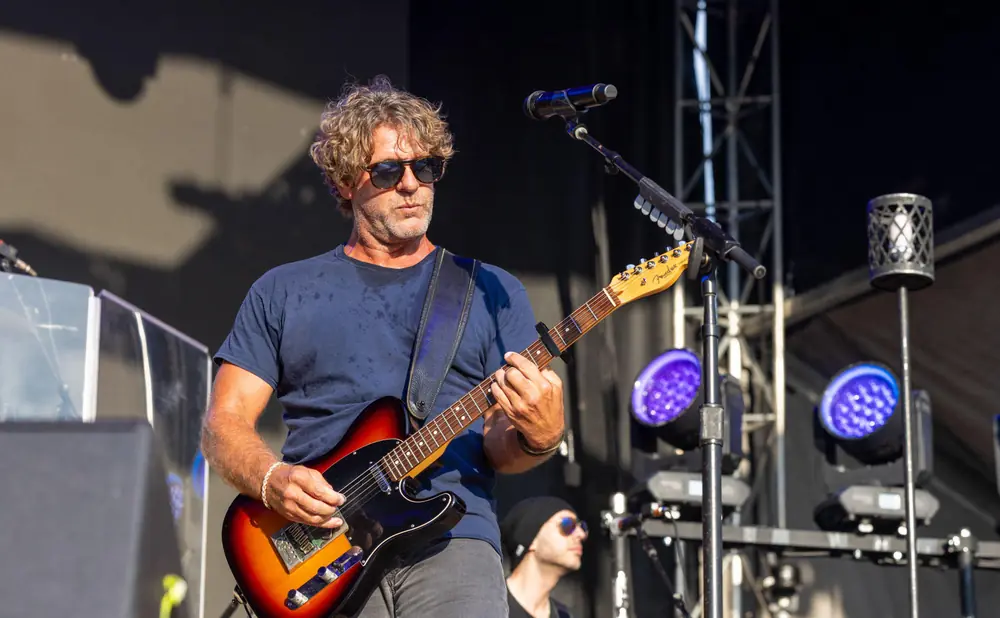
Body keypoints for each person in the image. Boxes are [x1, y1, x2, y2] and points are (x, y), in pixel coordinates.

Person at [200, 75, 566, 618]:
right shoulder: (283, 290)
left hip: (453, 535)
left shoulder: (488, 289)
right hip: (321, 542)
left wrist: (540, 436)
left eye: (427, 168)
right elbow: (222, 423)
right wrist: (271, 479)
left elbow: (499, 448)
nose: (412, 184)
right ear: (347, 181)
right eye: (390, 170)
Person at [500, 496, 587, 618]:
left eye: (582, 527)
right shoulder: (486, 605)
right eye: (567, 525)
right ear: (531, 540)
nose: (581, 534)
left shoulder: (564, 615)